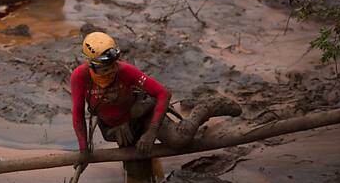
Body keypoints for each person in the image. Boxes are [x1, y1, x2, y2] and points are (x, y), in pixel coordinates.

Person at [71, 31, 241, 170]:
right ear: (91, 65)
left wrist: (152, 132)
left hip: (142, 114)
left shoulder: (125, 70)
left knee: (179, 140)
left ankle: (205, 108)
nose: (113, 69)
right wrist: (84, 150)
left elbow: (163, 93)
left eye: (115, 64)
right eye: (107, 68)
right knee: (137, 177)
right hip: (115, 127)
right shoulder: (80, 77)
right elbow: (78, 113)